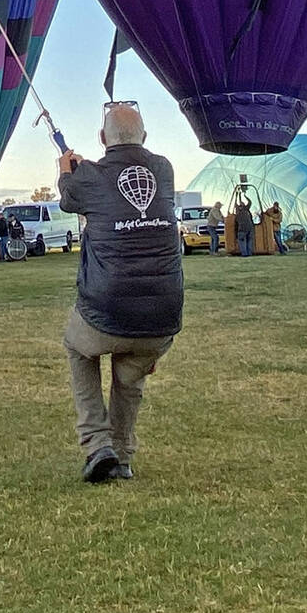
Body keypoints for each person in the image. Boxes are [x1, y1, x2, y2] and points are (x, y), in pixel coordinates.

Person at [57, 103, 183, 484]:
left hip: (105, 306)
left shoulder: (90, 175)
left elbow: (68, 199)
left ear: (101, 139)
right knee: (130, 376)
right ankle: (123, 456)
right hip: (163, 314)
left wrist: (66, 170)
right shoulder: (163, 169)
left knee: (78, 347)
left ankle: (97, 445)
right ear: (144, 136)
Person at [234, 192, 255, 257]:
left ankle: (244, 254)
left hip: (242, 228)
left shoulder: (238, 212)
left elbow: (235, 204)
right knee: (249, 240)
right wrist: (245, 196)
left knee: (241, 240)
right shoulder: (246, 209)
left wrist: (237, 195)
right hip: (250, 227)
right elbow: (250, 202)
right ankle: (249, 253)